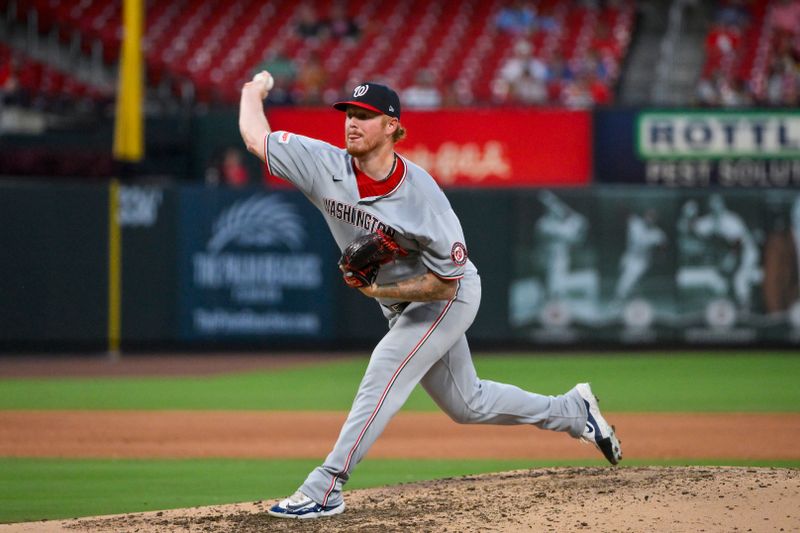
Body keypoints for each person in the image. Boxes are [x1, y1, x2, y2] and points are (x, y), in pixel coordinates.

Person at [239, 73, 622, 519]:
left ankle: (326, 486)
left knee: (385, 368)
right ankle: (574, 412)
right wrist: (254, 90)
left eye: (366, 116)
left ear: (392, 128)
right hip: (402, 303)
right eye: (349, 113)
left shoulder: (423, 197)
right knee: (468, 403)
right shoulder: (322, 164)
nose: (352, 122)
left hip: (446, 297)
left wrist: (379, 289)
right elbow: (255, 138)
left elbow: (447, 282)